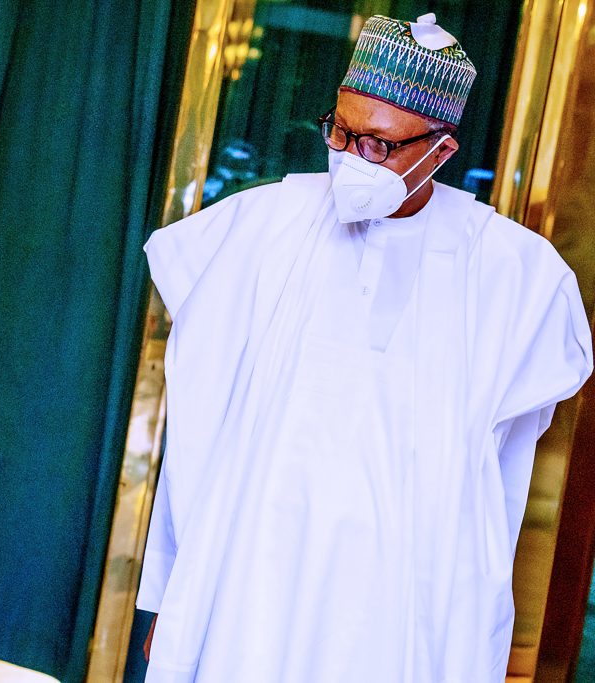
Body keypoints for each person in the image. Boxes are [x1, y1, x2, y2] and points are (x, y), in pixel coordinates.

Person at [137, 14, 592, 683]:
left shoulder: (514, 275)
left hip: (403, 605)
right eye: (341, 131)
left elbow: (501, 475)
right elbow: (197, 430)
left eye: (378, 144)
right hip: (249, 582)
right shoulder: (260, 227)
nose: (352, 157)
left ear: (441, 150)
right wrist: (171, 595)